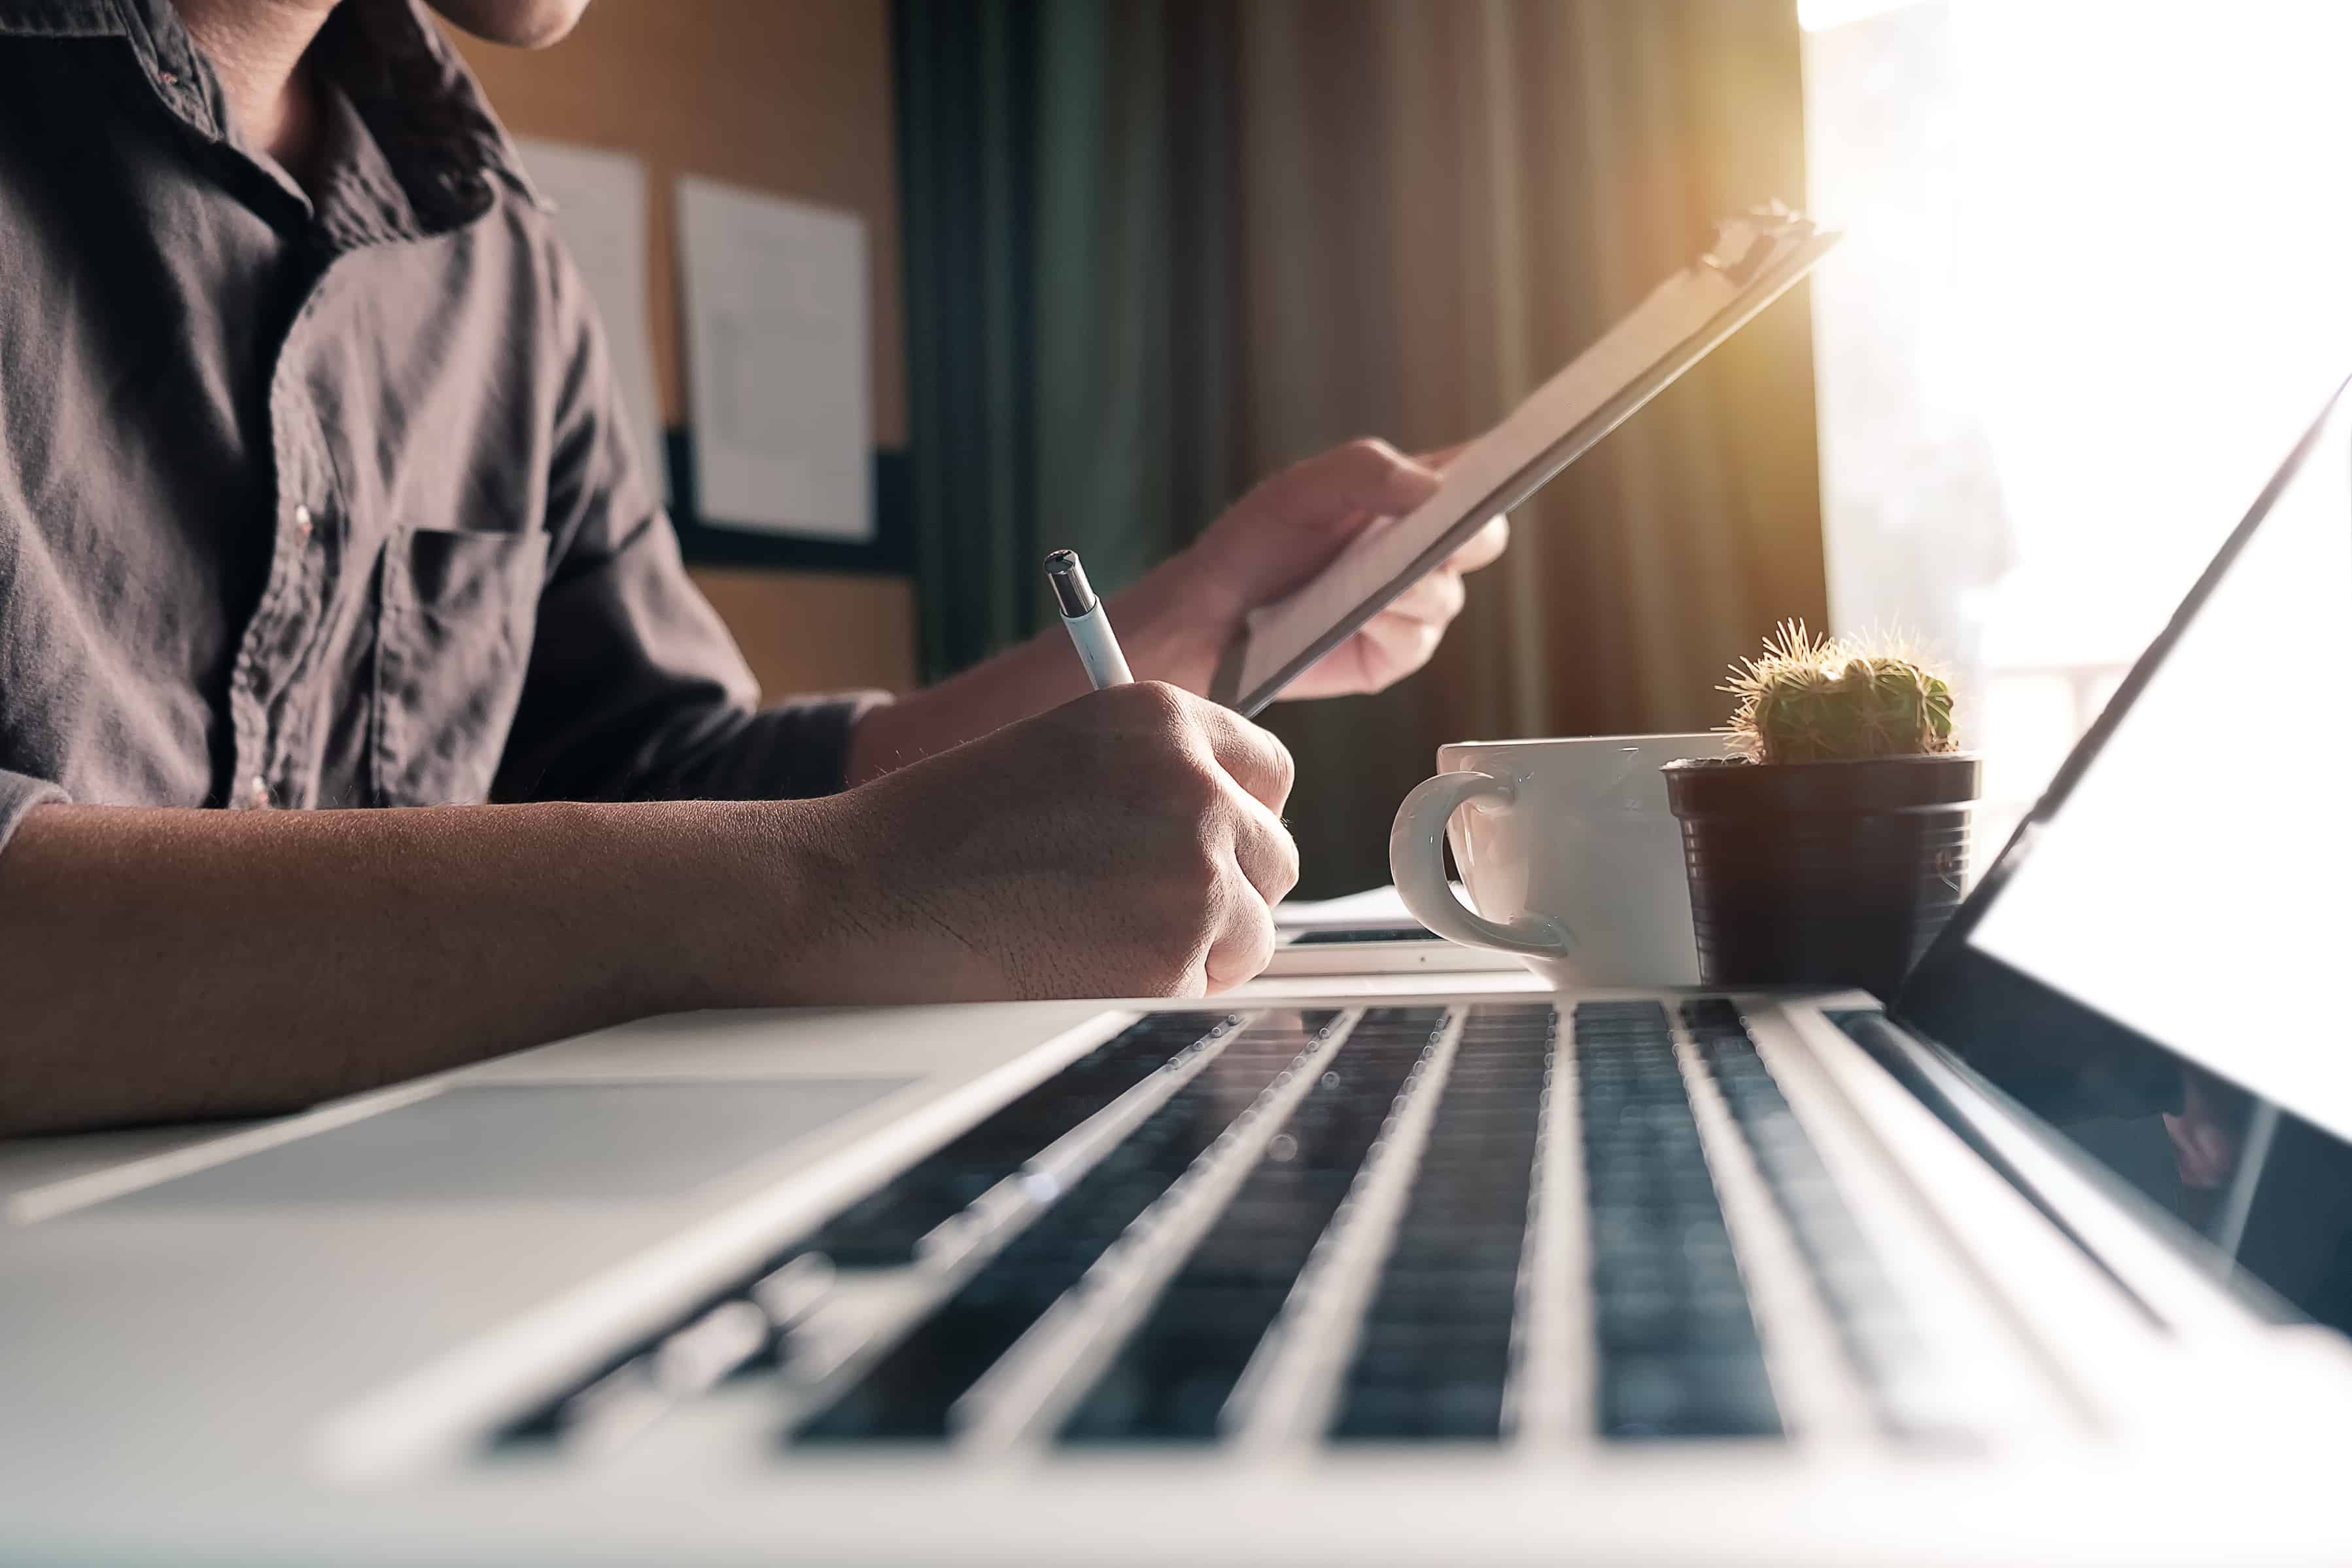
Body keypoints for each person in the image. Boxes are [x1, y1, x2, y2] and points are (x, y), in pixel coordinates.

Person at [0, 0, 1507, 1135]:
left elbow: (677, 770)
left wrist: (1191, 621)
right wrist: (841, 888)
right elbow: (772, 860)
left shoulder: (488, 256)